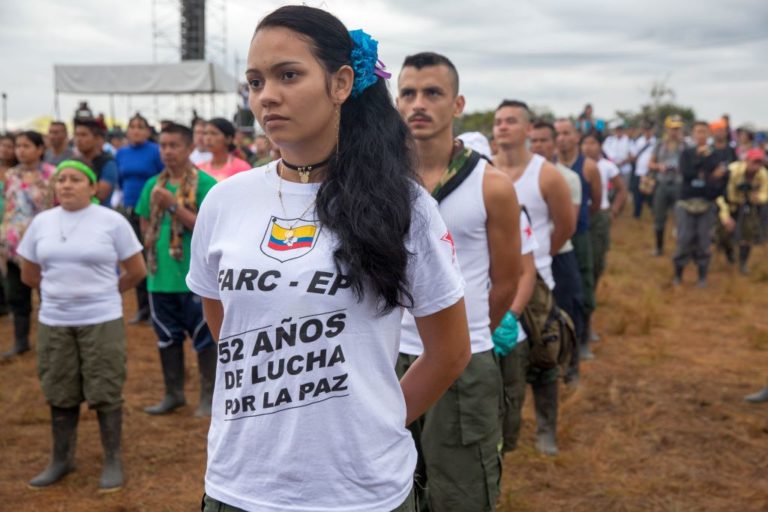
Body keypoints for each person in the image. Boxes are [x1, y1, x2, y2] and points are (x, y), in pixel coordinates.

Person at [186, 6, 471, 511]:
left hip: (360, 493)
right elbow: (226, 326)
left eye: (288, 75)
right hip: (240, 487)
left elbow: (449, 350)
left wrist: (373, 422)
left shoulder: (406, 207)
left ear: (341, 83)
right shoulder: (225, 201)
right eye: (254, 81)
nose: (266, 95)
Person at [396, 52, 521, 510]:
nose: (418, 104)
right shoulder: (380, 183)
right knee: (387, 485)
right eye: (408, 93)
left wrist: (458, 335)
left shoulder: (492, 186)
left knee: (463, 491)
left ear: (458, 103)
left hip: (464, 363)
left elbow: (506, 281)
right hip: (388, 355)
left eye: (433, 93)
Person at [19, 159, 146, 491]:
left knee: (105, 389)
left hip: (100, 319)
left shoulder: (111, 221)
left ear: (93, 187)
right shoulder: (42, 222)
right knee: (59, 388)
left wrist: (103, 293)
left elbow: (136, 271)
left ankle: (112, 460)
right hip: (55, 320)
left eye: (76, 179)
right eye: (61, 180)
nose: (66, 185)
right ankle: (61, 459)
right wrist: (58, 295)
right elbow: (29, 273)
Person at [494, 102, 575, 456]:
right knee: (504, 364)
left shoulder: (546, 175)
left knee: (543, 357)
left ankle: (546, 429)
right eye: (498, 122)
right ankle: (502, 434)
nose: (502, 127)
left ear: (528, 129)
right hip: (495, 282)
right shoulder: (485, 170)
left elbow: (565, 224)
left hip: (537, 282)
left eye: (511, 121)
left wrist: (541, 257)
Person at [136, 124, 218, 416]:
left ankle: (209, 397)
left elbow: (208, 229)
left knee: (205, 338)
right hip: (161, 279)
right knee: (167, 337)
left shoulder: (206, 184)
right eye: (163, 145)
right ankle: (174, 393)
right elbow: (145, 226)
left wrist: (173, 207)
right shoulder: (152, 186)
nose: (168, 152)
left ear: (189, 149)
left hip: (196, 278)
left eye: (174, 145)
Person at [530, 121, 585, 386]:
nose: (538, 145)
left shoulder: (566, 177)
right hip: (528, 259)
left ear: (554, 144)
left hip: (559, 255)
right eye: (535, 140)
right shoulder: (513, 174)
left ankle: (571, 364)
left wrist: (544, 254)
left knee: (567, 311)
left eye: (544, 140)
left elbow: (567, 226)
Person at [1, 131, 55, 359]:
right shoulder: (10, 175)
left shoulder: (52, 175)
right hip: (13, 244)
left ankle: (51, 341)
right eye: (18, 146)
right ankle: (21, 341)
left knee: (47, 293)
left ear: (40, 149)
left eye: (26, 146)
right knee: (17, 294)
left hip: (44, 242)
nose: (21, 150)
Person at [555, 118, 602, 358]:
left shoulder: (587, 167)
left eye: (566, 133)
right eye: (558, 134)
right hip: (556, 237)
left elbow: (595, 200)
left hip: (580, 233)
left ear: (576, 137)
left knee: (584, 282)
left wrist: (577, 222)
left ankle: (584, 335)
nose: (561, 138)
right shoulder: (548, 167)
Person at [115, 113, 164, 323]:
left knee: (152, 257)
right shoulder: (121, 153)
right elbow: (120, 180)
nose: (135, 130)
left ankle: (155, 309)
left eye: (140, 127)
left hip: (152, 211)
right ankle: (143, 309)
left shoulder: (156, 151)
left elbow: (163, 177)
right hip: (128, 211)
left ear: (147, 131)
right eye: (132, 126)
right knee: (134, 258)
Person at [673, 121, 724, 287]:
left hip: (706, 202)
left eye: (703, 132)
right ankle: (678, 274)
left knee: (704, 241)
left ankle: (702, 276)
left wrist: (706, 169)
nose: (700, 135)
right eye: (697, 132)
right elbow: (687, 173)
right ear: (693, 134)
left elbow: (717, 175)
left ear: (708, 134)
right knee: (684, 239)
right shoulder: (686, 153)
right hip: (687, 201)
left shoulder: (714, 155)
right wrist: (704, 170)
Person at [581, 131, 628, 287]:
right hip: (580, 213)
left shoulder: (607, 166)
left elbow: (621, 190)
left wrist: (613, 211)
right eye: (585, 143)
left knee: (597, 256)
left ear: (600, 146)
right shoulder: (577, 165)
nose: (588, 147)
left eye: (592, 143)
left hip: (599, 214)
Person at [718, 148, 768, 274]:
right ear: (746, 160)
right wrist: (725, 217)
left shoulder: (762, 173)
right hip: (729, 204)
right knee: (723, 233)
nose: (756, 166)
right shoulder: (732, 171)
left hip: (748, 204)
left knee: (748, 233)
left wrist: (759, 198)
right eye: (754, 162)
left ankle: (743, 263)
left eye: (759, 162)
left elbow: (765, 192)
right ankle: (729, 252)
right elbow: (720, 195)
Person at [649, 115, 686, 256]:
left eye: (677, 129)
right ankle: (659, 247)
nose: (675, 132)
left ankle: (680, 248)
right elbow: (650, 163)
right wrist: (659, 166)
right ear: (667, 129)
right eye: (672, 129)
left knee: (680, 218)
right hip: (663, 184)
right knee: (659, 217)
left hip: (679, 185)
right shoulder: (659, 144)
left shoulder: (686, 145)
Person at [74, 119, 119, 206]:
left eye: (83, 135)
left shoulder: (108, 163)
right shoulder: (73, 162)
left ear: (97, 139)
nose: (78, 139)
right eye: (76, 135)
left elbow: (100, 195)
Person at [629, 121, 657, 219]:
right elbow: (633, 155)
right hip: (639, 172)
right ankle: (637, 214)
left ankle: (654, 213)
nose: (647, 132)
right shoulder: (638, 141)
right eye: (645, 130)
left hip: (650, 173)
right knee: (637, 194)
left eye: (649, 130)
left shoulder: (656, 142)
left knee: (651, 195)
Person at [603, 121, 633, 186]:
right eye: (617, 129)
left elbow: (633, 156)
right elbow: (604, 152)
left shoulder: (628, 140)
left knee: (624, 187)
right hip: (612, 168)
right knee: (612, 189)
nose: (618, 131)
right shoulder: (610, 140)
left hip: (625, 169)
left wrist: (622, 162)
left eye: (620, 129)